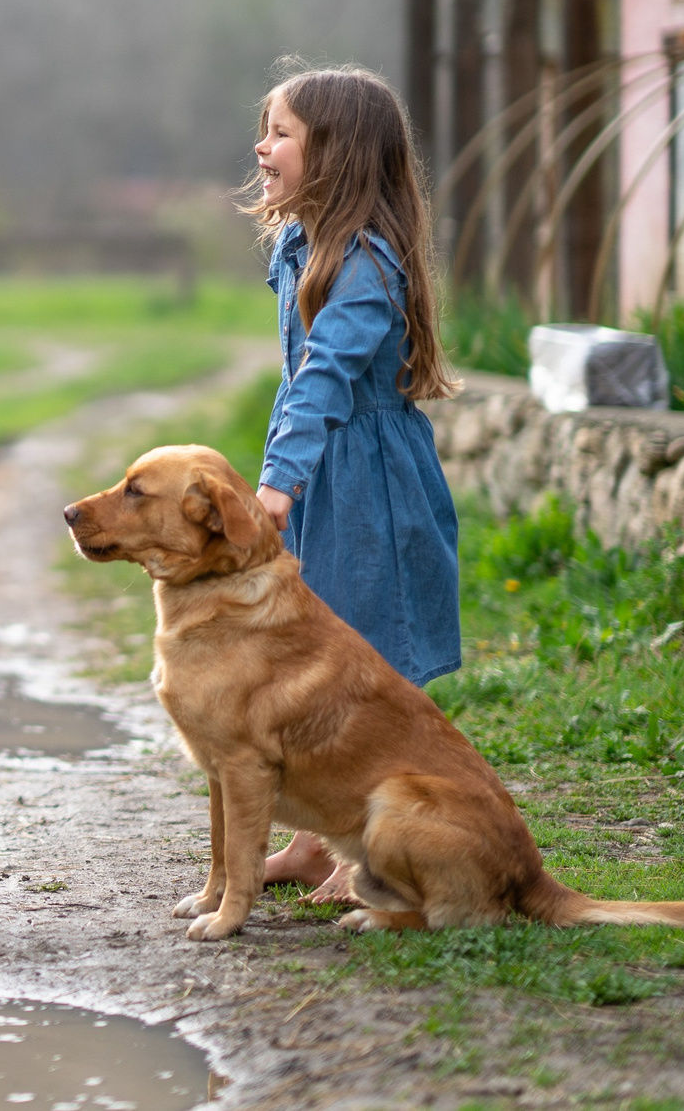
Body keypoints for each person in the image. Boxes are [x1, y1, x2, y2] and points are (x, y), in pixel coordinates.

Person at [246, 64, 463, 898]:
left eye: (281, 133)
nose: (262, 148)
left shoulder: (368, 262)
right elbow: (298, 378)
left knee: (368, 664)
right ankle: (315, 842)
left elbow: (329, 373)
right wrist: (286, 471)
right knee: (315, 658)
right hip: (318, 476)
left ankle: (361, 850)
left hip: (369, 485)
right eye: (265, 129)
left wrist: (277, 481)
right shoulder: (298, 244)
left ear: (334, 153)